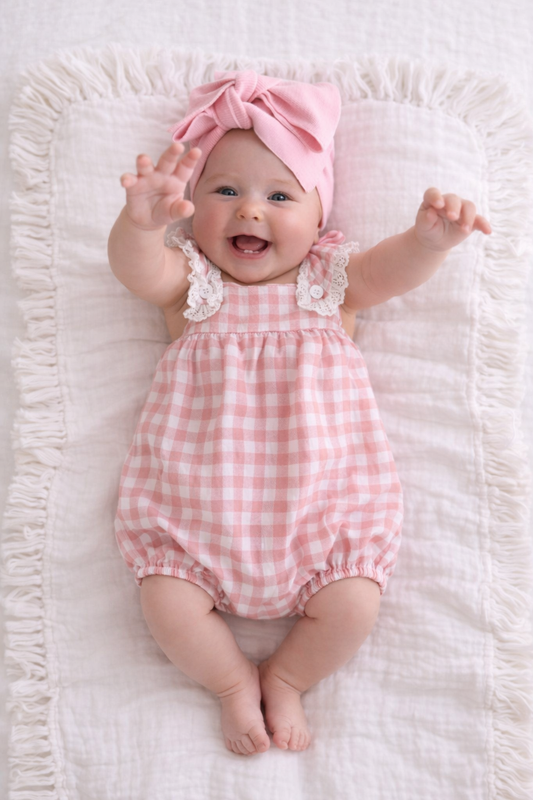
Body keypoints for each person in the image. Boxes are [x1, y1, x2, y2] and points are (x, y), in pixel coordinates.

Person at [108, 71, 492, 757]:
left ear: (320, 218)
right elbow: (139, 271)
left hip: (322, 520)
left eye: (279, 196)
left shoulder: (329, 282)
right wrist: (139, 225)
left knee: (354, 603)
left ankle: (286, 678)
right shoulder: (193, 286)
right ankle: (232, 684)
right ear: (192, 207)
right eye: (225, 191)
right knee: (164, 599)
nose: (250, 212)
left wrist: (427, 243)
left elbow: (387, 270)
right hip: (196, 521)